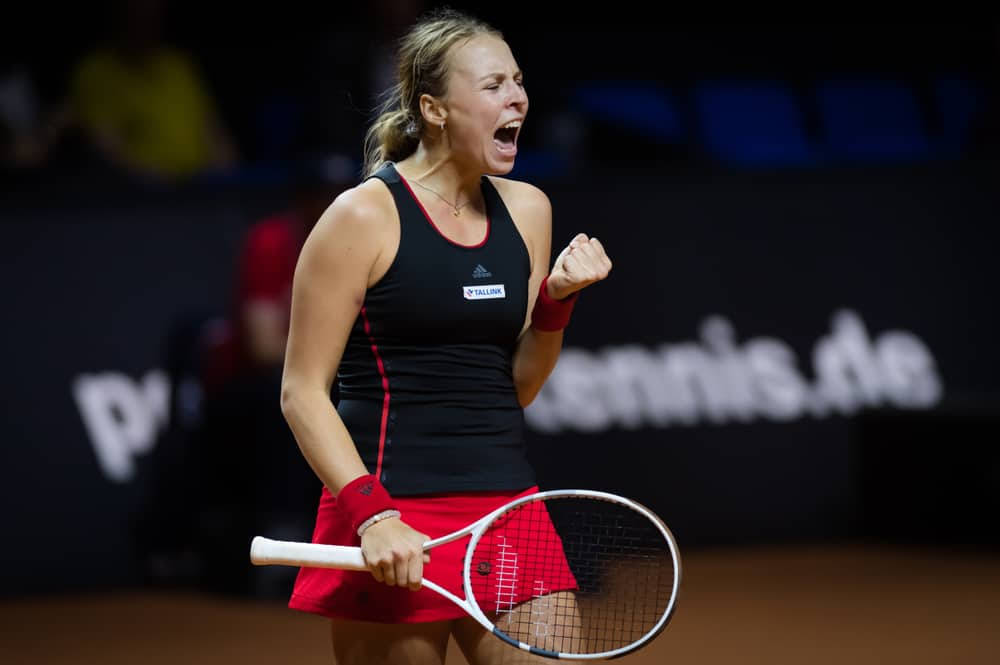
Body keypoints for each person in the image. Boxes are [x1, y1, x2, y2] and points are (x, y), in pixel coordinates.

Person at [278, 8, 612, 664]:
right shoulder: (360, 216)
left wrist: (555, 304)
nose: (516, 96)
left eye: (518, 80)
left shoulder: (528, 209)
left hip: (507, 507)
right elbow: (301, 392)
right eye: (492, 85)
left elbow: (518, 386)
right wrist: (371, 513)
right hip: (392, 516)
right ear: (433, 109)